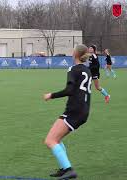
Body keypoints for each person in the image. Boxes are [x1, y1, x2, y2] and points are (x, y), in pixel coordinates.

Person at [43, 44, 92, 180]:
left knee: (50, 140)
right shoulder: (86, 70)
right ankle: (64, 169)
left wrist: (51, 95)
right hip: (83, 110)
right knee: (56, 139)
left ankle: (69, 170)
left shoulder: (73, 69)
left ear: (75, 54)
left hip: (74, 110)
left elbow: (69, 90)